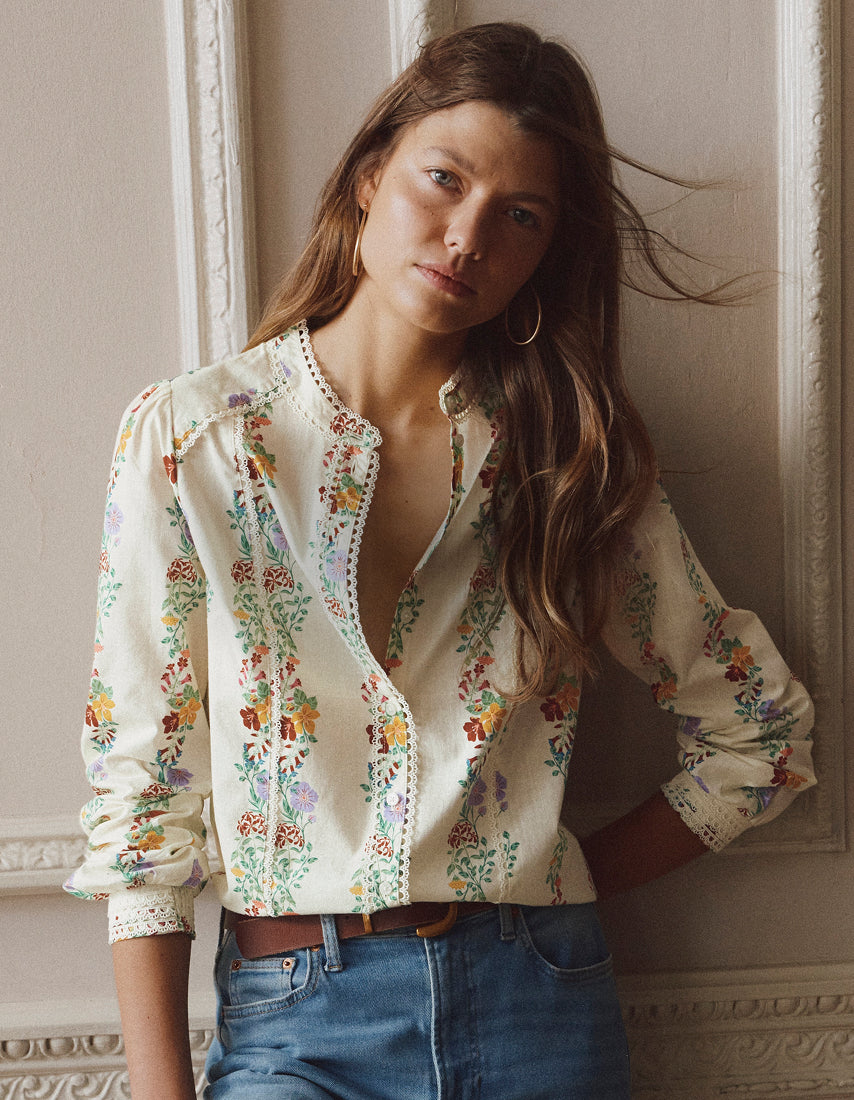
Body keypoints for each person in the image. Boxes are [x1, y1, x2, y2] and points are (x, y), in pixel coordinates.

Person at [65, 21, 815, 1100]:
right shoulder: (197, 441)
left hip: (540, 1005)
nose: (466, 236)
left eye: (517, 216)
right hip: (297, 1020)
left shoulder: (568, 457)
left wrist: (546, 886)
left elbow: (762, 735)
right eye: (442, 179)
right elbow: (142, 802)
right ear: (371, 175)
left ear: (545, 250)